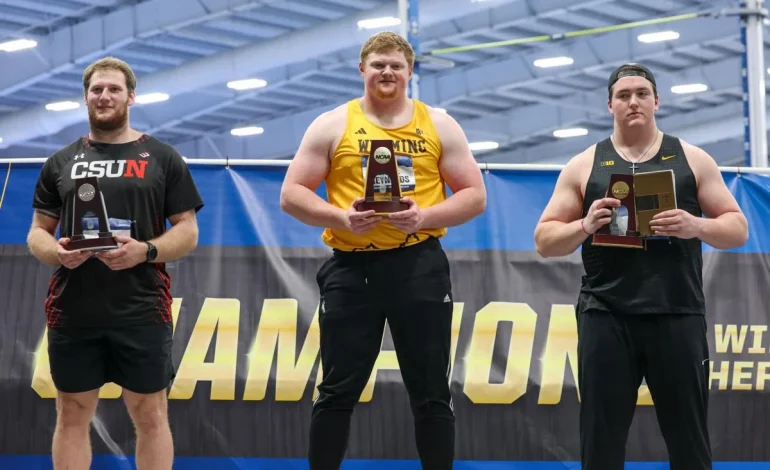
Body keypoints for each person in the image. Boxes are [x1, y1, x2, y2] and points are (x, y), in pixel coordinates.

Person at [280, 31, 486, 470]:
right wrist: (342, 218)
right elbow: (292, 193)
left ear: (410, 71)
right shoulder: (333, 123)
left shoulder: (439, 124)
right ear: (362, 70)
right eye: (378, 65)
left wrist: (424, 217)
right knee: (336, 390)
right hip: (352, 269)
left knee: (431, 391)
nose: (387, 72)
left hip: (419, 265)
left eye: (395, 64)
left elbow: (475, 195)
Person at [534, 63, 749, 469]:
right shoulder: (585, 164)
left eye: (642, 93)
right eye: (624, 95)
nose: (633, 101)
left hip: (677, 311)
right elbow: (544, 240)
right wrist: (584, 224)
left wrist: (694, 224)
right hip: (606, 314)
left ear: (656, 101)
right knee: (601, 440)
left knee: (688, 439)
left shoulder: (692, 158)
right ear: (609, 105)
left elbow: (737, 228)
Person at [26, 57, 204, 470]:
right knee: (71, 414)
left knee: (151, 415)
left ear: (131, 96)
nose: (104, 96)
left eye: (113, 89)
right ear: (86, 97)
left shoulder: (161, 156)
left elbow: (187, 231)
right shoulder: (60, 161)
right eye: (96, 90)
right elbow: (37, 233)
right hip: (74, 309)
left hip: (142, 308)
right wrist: (59, 254)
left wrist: (146, 250)